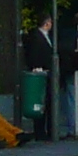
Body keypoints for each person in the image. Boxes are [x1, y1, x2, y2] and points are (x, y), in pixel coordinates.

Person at [22, 14, 57, 142]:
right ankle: (40, 132)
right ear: (47, 23)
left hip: (48, 73)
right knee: (41, 102)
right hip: (41, 72)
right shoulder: (36, 37)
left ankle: (49, 130)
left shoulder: (48, 37)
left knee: (49, 101)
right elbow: (33, 53)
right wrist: (36, 67)